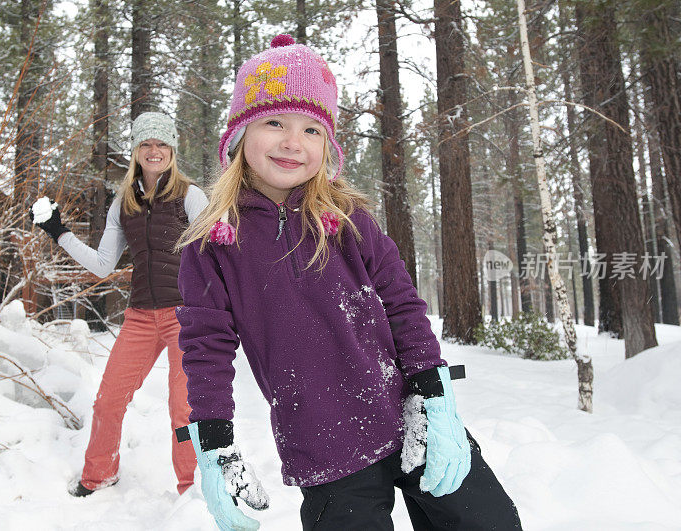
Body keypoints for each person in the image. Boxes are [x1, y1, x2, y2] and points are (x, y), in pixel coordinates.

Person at [174, 35, 522, 530]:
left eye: (312, 129)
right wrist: (214, 445)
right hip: (323, 439)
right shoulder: (213, 243)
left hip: (409, 413)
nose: (293, 142)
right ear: (238, 134)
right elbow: (206, 349)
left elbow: (402, 303)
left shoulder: (346, 218)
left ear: (328, 145)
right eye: (275, 122)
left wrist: (435, 397)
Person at [31, 112, 207, 497]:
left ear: (172, 150)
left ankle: (194, 489)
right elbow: (102, 264)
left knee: (184, 407)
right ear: (136, 151)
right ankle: (99, 474)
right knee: (108, 399)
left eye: (161, 144)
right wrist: (59, 232)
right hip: (141, 315)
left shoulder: (191, 196)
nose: (154, 150)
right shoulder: (123, 203)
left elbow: (214, 253)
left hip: (185, 315)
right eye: (146, 143)